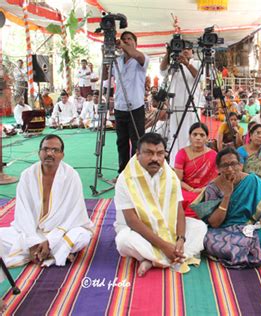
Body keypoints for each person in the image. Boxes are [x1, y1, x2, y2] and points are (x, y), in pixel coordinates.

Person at [114, 133, 207, 275]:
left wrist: (181, 239)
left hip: (168, 227)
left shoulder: (170, 175)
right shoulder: (125, 179)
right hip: (139, 231)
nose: (155, 159)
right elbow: (131, 221)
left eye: (160, 153)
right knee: (123, 240)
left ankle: (152, 260)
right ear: (138, 153)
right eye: (149, 153)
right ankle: (174, 257)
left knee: (200, 227)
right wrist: (164, 246)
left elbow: (179, 210)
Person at [0, 135, 93, 267]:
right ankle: (54, 253)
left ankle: (45, 250)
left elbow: (75, 215)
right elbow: (23, 213)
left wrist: (50, 241)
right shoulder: (27, 175)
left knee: (82, 235)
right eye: (46, 149)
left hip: (59, 232)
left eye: (55, 150)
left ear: (62, 155)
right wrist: (32, 241)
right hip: (32, 232)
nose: (49, 153)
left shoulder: (71, 176)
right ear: (39, 153)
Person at [190, 147, 261, 268]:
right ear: (218, 169)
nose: (230, 169)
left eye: (233, 164)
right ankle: (255, 252)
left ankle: (256, 249)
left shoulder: (252, 181)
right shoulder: (212, 188)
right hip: (224, 230)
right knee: (208, 241)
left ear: (240, 165)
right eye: (225, 165)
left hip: (251, 225)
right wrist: (227, 196)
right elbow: (215, 223)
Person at [160, 42, 203, 166]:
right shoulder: (174, 62)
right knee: (175, 135)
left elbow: (199, 77)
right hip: (175, 106)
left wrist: (186, 64)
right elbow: (163, 71)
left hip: (192, 106)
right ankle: (175, 164)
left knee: (193, 134)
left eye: (188, 49)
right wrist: (168, 52)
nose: (185, 51)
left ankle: (192, 163)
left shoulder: (197, 63)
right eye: (182, 48)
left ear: (192, 52)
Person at [111, 31, 149, 173]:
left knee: (137, 142)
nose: (126, 41)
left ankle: (136, 172)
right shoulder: (117, 60)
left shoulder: (142, 58)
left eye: (129, 39)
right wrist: (106, 57)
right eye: (123, 39)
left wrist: (123, 45)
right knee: (121, 143)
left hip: (136, 107)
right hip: (119, 106)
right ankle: (123, 173)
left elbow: (137, 55)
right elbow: (105, 77)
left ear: (135, 43)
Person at [174, 123, 218, 218]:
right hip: (185, 189)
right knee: (177, 197)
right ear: (190, 136)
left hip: (206, 190)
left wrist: (202, 190)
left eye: (202, 135)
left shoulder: (213, 155)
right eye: (195, 134)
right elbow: (177, 180)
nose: (198, 138)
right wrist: (192, 190)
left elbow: (216, 180)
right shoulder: (182, 153)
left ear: (207, 138)